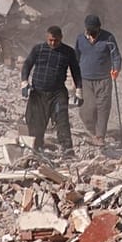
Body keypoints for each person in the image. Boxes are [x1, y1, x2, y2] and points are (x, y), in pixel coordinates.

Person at [21, 25, 82, 155]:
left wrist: (79, 90)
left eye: (56, 40)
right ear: (46, 37)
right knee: (36, 122)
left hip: (57, 93)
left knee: (62, 121)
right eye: (50, 40)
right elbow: (27, 65)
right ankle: (36, 149)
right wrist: (24, 82)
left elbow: (76, 71)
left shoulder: (68, 52)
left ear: (61, 38)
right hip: (38, 92)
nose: (53, 43)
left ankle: (67, 150)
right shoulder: (38, 49)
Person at [74, 14, 122, 148]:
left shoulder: (108, 38)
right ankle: (92, 130)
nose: (92, 33)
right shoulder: (80, 39)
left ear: (99, 28)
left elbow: (116, 56)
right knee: (86, 109)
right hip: (85, 80)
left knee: (103, 107)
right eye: (89, 30)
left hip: (104, 79)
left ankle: (100, 136)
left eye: (94, 30)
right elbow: (75, 57)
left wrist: (116, 69)